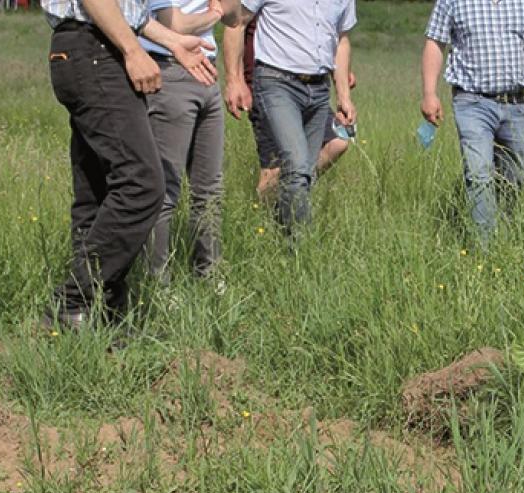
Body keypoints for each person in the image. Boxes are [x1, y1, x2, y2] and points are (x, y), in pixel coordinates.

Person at [41, 0, 222, 329]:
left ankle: (102, 318)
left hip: (92, 44)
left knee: (98, 192)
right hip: (95, 47)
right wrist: (134, 51)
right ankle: (73, 301)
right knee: (142, 184)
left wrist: (170, 41)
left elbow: (124, 9)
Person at [421, 0, 524, 242]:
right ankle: (484, 248)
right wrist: (429, 93)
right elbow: (435, 42)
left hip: (515, 103)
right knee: (479, 175)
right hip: (471, 102)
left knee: (513, 177)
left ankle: (504, 236)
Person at [221, 0, 357, 239]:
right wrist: (235, 80)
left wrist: (344, 94)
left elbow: (341, 38)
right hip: (276, 82)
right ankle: (302, 250)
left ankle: (276, 232)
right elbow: (237, 22)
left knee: (303, 170)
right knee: (296, 167)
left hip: (319, 88)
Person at [140, 0, 240, 282]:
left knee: (210, 188)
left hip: (207, 72)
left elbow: (235, 16)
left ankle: (209, 274)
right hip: (170, 70)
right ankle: (158, 282)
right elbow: (174, 23)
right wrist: (214, 13)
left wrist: (221, 12)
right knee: (165, 187)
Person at [235, 15, 354, 201]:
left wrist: (338, 69)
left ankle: (292, 190)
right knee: (273, 168)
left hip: (310, 84)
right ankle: (264, 214)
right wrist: (237, 81)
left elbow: (317, 28)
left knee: (338, 141)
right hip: (268, 84)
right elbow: (236, 25)